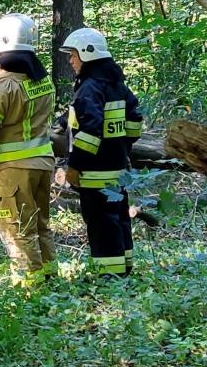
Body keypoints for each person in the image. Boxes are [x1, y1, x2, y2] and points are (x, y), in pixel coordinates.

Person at [0, 14, 59, 285]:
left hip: (13, 171)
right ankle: (51, 281)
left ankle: (29, 289)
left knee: (17, 230)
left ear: (2, 45)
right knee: (40, 226)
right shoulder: (43, 81)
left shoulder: (2, 85)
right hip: (42, 164)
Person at [59, 27, 144, 275]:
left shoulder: (90, 87)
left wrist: (74, 166)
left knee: (101, 225)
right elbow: (134, 121)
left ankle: (109, 276)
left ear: (87, 53)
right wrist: (121, 147)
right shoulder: (116, 85)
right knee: (119, 219)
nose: (71, 60)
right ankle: (125, 268)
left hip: (95, 173)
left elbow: (90, 130)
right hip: (118, 169)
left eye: (73, 54)